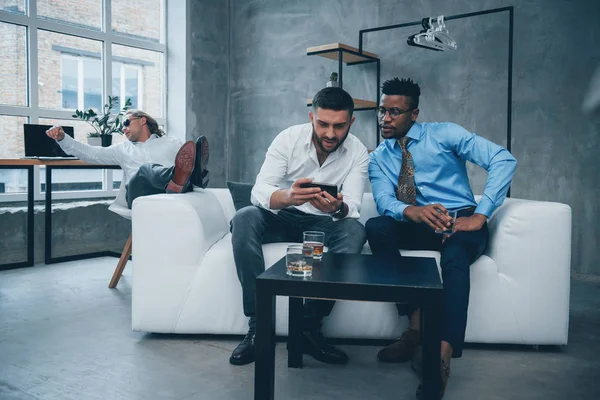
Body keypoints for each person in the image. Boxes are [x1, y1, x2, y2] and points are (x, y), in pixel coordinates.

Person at [366, 78, 517, 398]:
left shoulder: (445, 133)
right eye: (382, 110)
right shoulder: (380, 156)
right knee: (377, 226)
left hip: (460, 219)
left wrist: (480, 214)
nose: (385, 119)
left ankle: (442, 355)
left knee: (455, 255)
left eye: (394, 112)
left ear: (414, 113)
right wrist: (413, 213)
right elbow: (384, 200)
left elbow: (503, 159)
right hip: (419, 221)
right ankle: (416, 330)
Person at [229, 87, 370, 366]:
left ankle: (307, 326)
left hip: (324, 222)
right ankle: (259, 327)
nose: (331, 133)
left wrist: (337, 208)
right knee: (244, 217)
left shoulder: (358, 151)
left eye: (339, 126)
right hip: (281, 214)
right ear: (311, 118)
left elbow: (352, 205)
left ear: (351, 123)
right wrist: (288, 197)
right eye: (323, 124)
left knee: (355, 231)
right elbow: (261, 189)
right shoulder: (288, 139)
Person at [45, 110, 209, 208]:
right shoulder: (122, 149)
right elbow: (90, 154)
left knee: (186, 166)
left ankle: (186, 179)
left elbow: (186, 162)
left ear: (143, 120)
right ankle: (181, 178)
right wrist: (62, 138)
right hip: (140, 194)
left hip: (170, 193)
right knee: (146, 169)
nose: (123, 128)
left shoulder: (171, 142)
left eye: (126, 122)